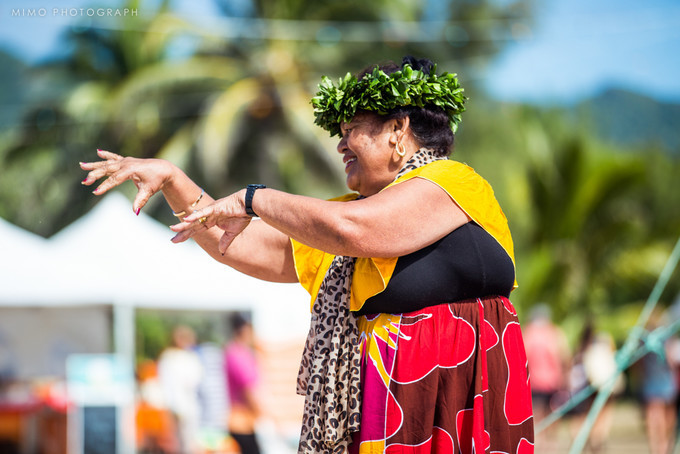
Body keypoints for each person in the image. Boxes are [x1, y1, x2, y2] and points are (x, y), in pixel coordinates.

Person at [80, 55, 534, 453]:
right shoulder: (342, 225)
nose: (340, 145)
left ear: (399, 130)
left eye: (351, 130)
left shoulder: (452, 183)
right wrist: (175, 181)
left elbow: (355, 230)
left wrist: (254, 198)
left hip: (454, 399)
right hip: (386, 409)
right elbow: (244, 244)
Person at [156, 325, 204, 454]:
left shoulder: (188, 357)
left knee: (188, 443)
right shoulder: (171, 358)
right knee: (175, 443)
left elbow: (194, 380)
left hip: (186, 407)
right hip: (175, 408)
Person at [224, 313, 262, 454]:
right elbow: (248, 390)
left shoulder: (236, 352)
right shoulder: (238, 354)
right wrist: (268, 417)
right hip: (241, 423)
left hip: (244, 423)